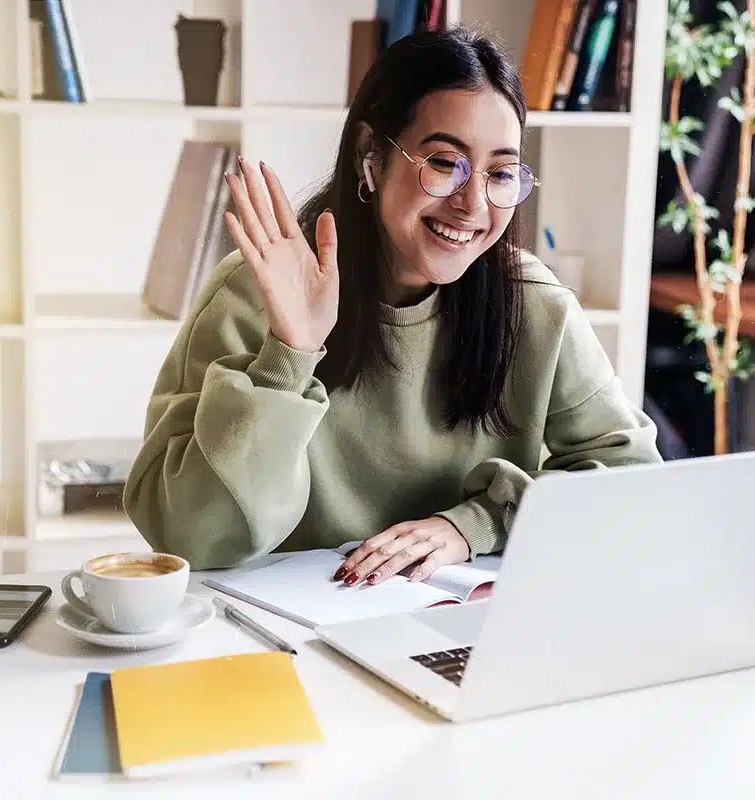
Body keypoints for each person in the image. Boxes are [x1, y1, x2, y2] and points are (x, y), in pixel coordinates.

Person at [122, 26, 662, 587]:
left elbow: (633, 484)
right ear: (371, 157)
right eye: (443, 162)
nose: (473, 204)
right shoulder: (251, 293)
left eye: (500, 173)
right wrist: (290, 354)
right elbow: (190, 539)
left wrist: (478, 524)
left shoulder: (534, 305)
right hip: (287, 629)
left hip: (459, 620)